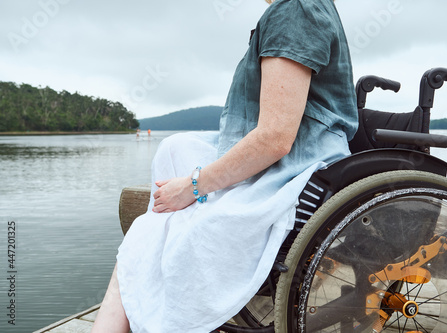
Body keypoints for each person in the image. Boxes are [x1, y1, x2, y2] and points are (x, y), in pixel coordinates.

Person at [92, 0, 357, 332]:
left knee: (161, 236)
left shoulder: (295, 10)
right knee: (172, 156)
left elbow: (275, 138)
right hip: (292, 160)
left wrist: (193, 186)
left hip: (300, 172)